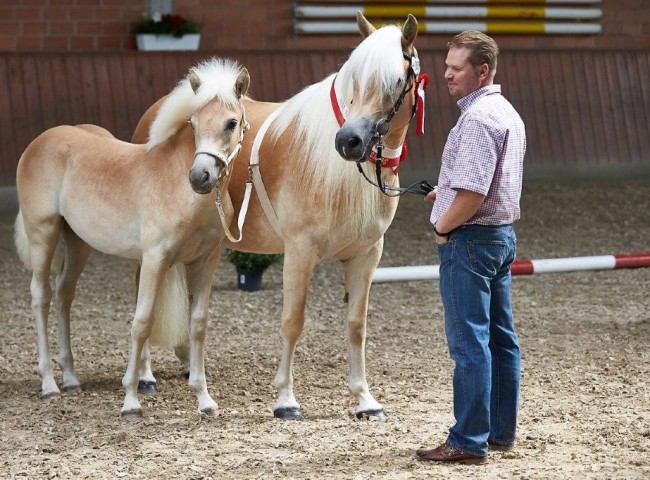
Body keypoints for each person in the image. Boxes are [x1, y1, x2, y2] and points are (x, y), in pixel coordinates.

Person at [416, 30, 526, 464]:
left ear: (482, 71)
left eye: (456, 68)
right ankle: (499, 432)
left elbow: (474, 195)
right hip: (500, 238)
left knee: (469, 345)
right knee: (501, 340)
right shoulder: (506, 112)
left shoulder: (478, 120)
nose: (446, 75)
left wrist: (443, 225)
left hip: (471, 242)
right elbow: (485, 184)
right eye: (446, 66)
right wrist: (444, 194)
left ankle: (467, 441)